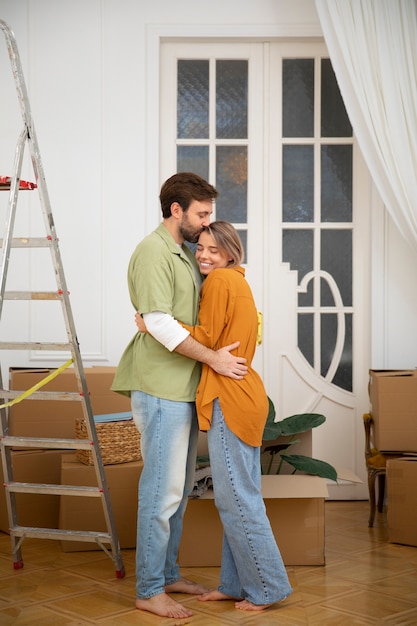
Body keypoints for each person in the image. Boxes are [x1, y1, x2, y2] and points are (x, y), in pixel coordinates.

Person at [136, 221, 293, 612]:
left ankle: (267, 589)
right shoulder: (235, 280)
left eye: (213, 249)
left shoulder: (221, 282)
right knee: (239, 497)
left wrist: (152, 326)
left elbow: (205, 338)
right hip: (244, 395)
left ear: (230, 253)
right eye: (200, 248)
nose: (204, 255)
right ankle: (237, 583)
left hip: (231, 398)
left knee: (237, 501)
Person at [111, 173, 248, 620]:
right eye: (202, 213)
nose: (208, 221)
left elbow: (181, 318)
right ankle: (149, 589)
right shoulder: (154, 252)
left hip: (184, 388)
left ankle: (167, 573)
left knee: (177, 491)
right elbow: (163, 324)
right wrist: (215, 359)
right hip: (159, 388)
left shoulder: (187, 254)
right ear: (177, 210)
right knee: (161, 492)